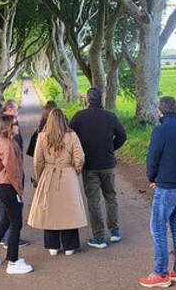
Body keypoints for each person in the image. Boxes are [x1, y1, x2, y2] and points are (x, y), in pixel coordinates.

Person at [138, 97, 176, 288]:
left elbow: (152, 158)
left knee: (158, 227)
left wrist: (152, 178)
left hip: (167, 186)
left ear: (159, 111)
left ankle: (161, 273)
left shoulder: (160, 131)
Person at [69, 86, 127, 249]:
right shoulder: (110, 116)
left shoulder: (79, 117)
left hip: (89, 165)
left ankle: (99, 237)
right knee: (111, 196)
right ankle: (114, 231)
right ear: (101, 99)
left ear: (87, 99)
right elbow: (122, 136)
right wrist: (111, 148)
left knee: (93, 200)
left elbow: (70, 137)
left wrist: (78, 153)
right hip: (108, 163)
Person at [27, 108, 86, 256]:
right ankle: (70, 246)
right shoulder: (72, 136)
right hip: (67, 173)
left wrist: (40, 176)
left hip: (48, 174)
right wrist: (75, 171)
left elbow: (37, 161)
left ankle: (52, 245)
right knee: (69, 210)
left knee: (50, 210)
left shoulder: (42, 136)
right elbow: (80, 158)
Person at [0, 115, 33, 274]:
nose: (18, 127)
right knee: (16, 222)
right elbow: (13, 171)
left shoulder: (1, 143)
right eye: (16, 125)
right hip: (8, 186)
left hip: (1, 185)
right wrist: (20, 191)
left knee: (5, 220)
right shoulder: (8, 145)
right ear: (10, 127)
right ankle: (13, 261)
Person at [0, 99, 29, 247]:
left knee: (6, 213)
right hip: (8, 179)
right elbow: (12, 167)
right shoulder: (8, 142)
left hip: (0, 177)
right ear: (10, 109)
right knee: (14, 216)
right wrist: (20, 190)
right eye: (16, 109)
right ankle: (11, 243)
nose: (17, 127)